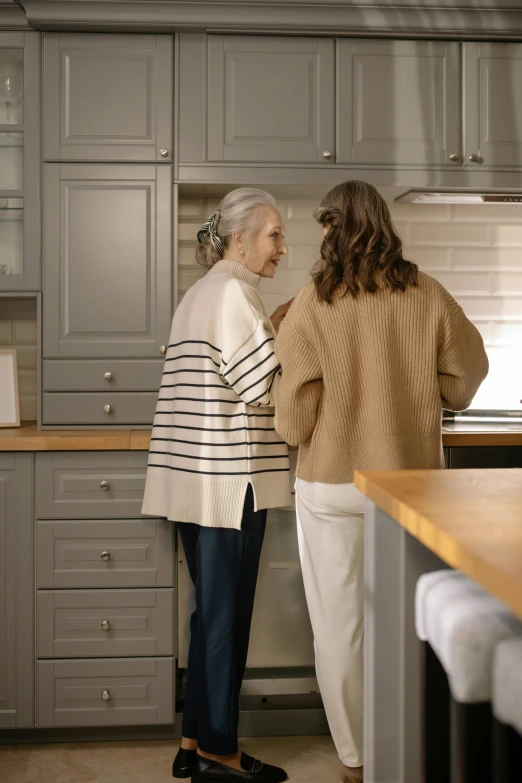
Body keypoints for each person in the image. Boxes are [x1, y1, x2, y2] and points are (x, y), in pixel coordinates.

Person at [274, 180, 489, 783]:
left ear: (334, 228)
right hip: (410, 486)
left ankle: (357, 760)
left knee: (339, 625)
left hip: (331, 483)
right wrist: (434, 392)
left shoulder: (314, 302)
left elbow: (293, 417)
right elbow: (469, 373)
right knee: (411, 622)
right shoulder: (425, 292)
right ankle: (409, 750)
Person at [142, 188, 293, 783]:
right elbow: (266, 390)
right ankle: (221, 753)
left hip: (192, 480)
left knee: (211, 617)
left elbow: (230, 372)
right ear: (239, 239)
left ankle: (192, 742)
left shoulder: (203, 293)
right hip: (227, 482)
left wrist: (273, 327)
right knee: (227, 620)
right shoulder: (234, 294)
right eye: (274, 234)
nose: (283, 247)